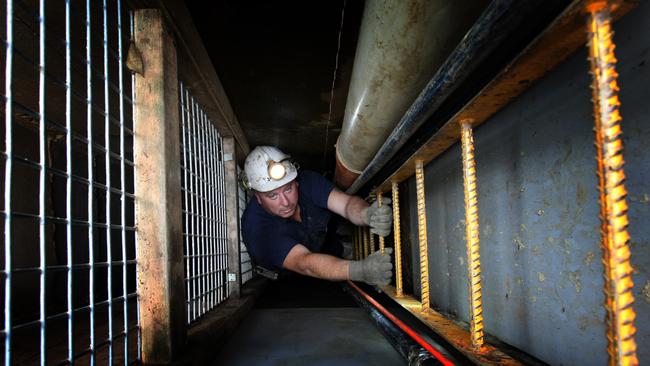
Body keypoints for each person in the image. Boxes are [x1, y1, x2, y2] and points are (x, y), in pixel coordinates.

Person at [241, 146, 394, 286]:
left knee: (333, 245)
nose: (285, 202)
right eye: (272, 196)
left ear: (296, 182)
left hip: (319, 237)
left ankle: (344, 250)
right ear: (258, 197)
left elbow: (346, 204)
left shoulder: (307, 181)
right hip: (293, 271)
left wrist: (366, 213)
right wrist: (360, 271)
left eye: (288, 189)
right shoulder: (258, 230)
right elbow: (305, 263)